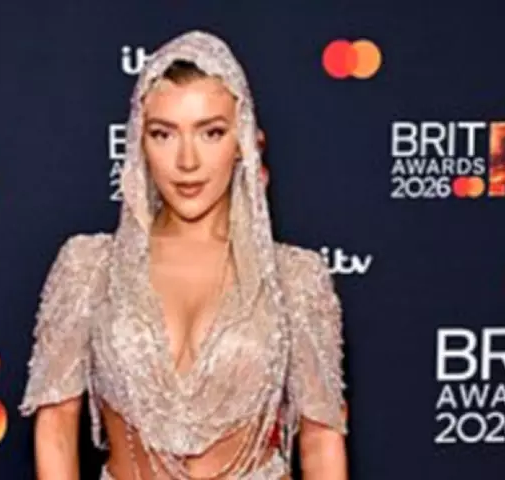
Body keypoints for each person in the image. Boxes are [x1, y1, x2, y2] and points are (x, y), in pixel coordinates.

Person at [19, 30, 348, 480]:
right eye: (163, 134)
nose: (187, 160)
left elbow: (321, 441)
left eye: (211, 132)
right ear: (139, 143)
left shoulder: (295, 277)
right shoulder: (88, 267)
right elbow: (56, 428)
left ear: (243, 142)